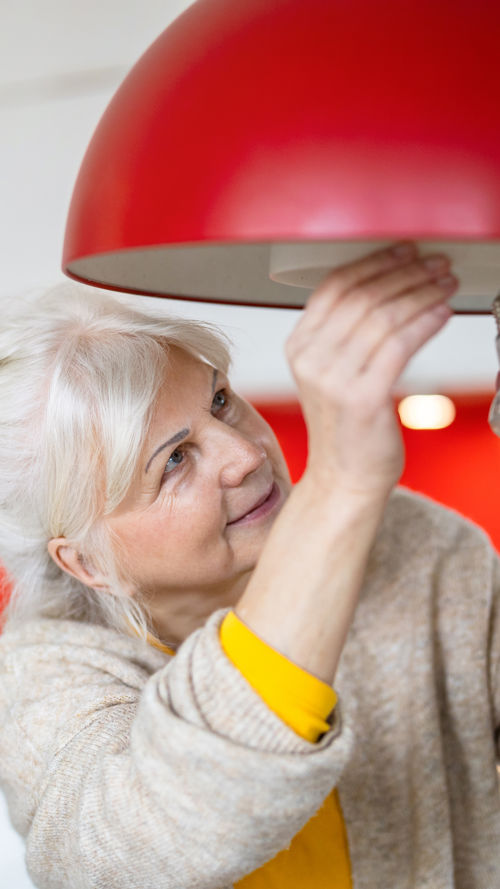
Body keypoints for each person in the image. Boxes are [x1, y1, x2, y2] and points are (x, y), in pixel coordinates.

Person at [0, 241, 498, 889]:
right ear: (88, 561)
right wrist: (340, 487)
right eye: (174, 461)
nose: (245, 453)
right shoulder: (40, 680)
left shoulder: (415, 544)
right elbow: (128, 854)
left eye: (220, 401)